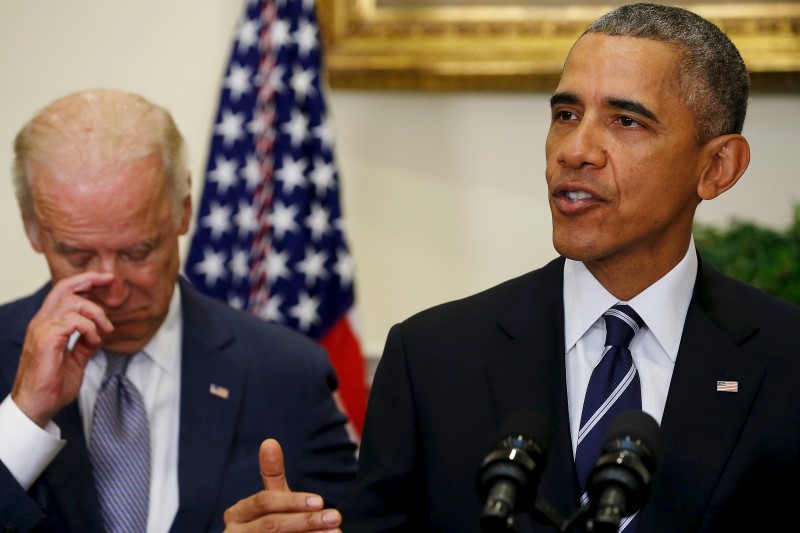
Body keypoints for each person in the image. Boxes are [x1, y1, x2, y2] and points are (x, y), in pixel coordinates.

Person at [223, 3, 800, 532]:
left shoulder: (787, 362)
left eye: (626, 121)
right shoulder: (432, 359)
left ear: (718, 167)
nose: (575, 149)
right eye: (566, 114)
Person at [0, 88, 357, 533]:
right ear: (32, 229)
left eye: (138, 251)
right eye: (78, 256)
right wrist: (22, 416)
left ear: (183, 211)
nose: (111, 290)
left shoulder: (288, 374)